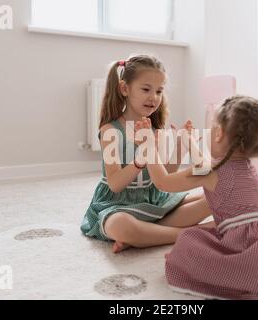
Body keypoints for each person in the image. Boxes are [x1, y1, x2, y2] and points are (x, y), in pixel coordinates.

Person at [139, 95, 258, 300]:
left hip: (249, 253)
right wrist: (189, 141)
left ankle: (243, 278)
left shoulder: (211, 170)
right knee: (212, 229)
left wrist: (148, 145)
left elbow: (163, 183)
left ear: (219, 133)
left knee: (188, 239)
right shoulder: (247, 167)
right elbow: (205, 165)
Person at [81, 54, 212, 253]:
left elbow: (164, 177)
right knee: (121, 225)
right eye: (146, 89)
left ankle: (147, 235)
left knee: (215, 195)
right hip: (118, 204)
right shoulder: (111, 131)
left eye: (159, 91)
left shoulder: (155, 130)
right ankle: (194, 232)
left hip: (154, 200)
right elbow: (115, 184)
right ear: (125, 89)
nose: (154, 97)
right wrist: (142, 157)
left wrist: (180, 147)